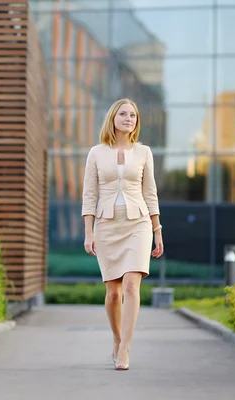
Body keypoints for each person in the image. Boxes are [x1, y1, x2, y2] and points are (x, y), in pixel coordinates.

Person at [81, 98, 164, 371]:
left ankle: (126, 348)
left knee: (131, 285)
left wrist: (157, 229)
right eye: (123, 114)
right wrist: (88, 232)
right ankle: (117, 339)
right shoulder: (96, 153)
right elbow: (89, 194)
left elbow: (150, 192)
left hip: (137, 224)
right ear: (113, 118)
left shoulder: (144, 152)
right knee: (114, 293)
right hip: (106, 226)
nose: (129, 119)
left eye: (133, 115)